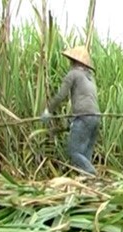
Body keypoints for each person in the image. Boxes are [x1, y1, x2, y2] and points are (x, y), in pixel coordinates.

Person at [41, 45, 100, 176]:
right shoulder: (90, 78)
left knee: (74, 152)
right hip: (96, 117)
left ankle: (91, 173)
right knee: (86, 154)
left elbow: (61, 95)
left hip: (83, 117)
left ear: (74, 61)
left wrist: (48, 110)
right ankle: (89, 183)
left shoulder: (73, 74)